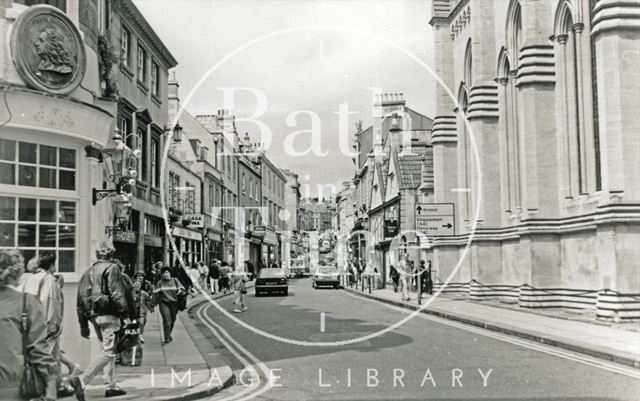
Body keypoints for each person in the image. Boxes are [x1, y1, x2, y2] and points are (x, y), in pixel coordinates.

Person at [75, 240, 136, 399]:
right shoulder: (112, 268)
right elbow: (117, 294)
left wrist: (83, 325)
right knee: (109, 352)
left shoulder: (87, 272)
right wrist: (126, 315)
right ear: (111, 254)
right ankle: (82, 379)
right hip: (110, 315)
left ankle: (111, 386)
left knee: (108, 350)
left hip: (94, 317)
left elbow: (80, 298)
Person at [0, 249, 58, 401]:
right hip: (11, 385)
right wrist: (51, 384)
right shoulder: (27, 303)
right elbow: (38, 348)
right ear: (16, 272)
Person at [17, 252, 65, 395]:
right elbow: (50, 305)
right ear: (51, 265)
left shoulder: (29, 279)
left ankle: (59, 386)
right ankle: (44, 392)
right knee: (45, 361)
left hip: (29, 326)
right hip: (43, 329)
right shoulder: (49, 279)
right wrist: (53, 329)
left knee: (54, 357)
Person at [153, 267, 185, 344]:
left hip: (174, 303)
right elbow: (155, 293)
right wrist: (153, 304)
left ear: (170, 273)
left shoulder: (175, 280)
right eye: (163, 273)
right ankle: (167, 338)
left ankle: (168, 335)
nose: (165, 274)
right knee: (167, 320)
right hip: (164, 303)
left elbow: (182, 288)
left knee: (172, 320)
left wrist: (180, 290)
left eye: (166, 272)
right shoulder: (160, 283)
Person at [132, 273, 153, 344]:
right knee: (133, 323)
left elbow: (148, 301)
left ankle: (140, 334)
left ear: (140, 286)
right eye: (135, 286)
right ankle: (135, 335)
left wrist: (151, 308)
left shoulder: (144, 293)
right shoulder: (130, 293)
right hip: (132, 311)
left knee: (142, 322)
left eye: (138, 286)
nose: (136, 287)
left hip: (141, 310)